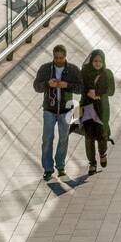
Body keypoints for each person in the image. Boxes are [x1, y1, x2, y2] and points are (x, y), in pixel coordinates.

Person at [34, 45, 83, 181]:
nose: (58, 60)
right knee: (47, 138)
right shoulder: (45, 69)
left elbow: (80, 88)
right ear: (53, 56)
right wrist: (47, 84)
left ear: (65, 57)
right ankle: (48, 168)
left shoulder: (73, 70)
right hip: (49, 109)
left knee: (63, 138)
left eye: (61, 58)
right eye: (56, 58)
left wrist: (67, 85)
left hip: (66, 110)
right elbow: (36, 86)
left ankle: (60, 165)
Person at [80, 49, 115, 175]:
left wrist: (98, 94)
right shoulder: (84, 73)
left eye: (100, 61)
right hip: (87, 108)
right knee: (88, 137)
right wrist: (88, 93)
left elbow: (111, 91)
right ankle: (92, 163)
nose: (97, 63)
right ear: (91, 60)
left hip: (102, 109)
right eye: (95, 61)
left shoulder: (107, 74)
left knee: (102, 135)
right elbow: (79, 87)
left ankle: (102, 153)